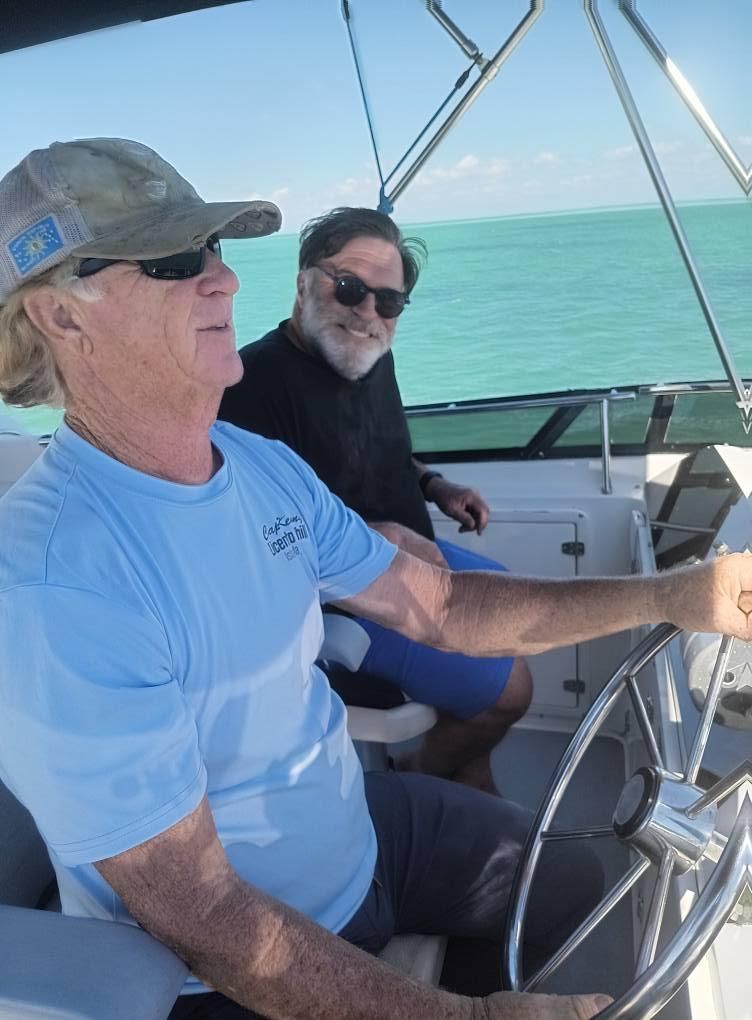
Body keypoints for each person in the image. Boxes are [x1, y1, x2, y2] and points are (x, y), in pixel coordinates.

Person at [1, 138, 750, 1020]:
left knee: (576, 882)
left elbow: (442, 605)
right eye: (173, 261)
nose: (225, 281)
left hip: (358, 825)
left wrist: (679, 596)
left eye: (215, 250)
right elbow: (203, 914)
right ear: (60, 316)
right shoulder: (54, 581)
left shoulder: (256, 465)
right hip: (220, 967)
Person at [219, 207, 532, 793]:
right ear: (304, 283)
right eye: (349, 288)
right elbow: (248, 533)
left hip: (416, 559)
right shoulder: (251, 386)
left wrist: (435, 485)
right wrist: (380, 537)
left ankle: (465, 770)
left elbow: (381, 448)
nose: (368, 313)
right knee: (511, 692)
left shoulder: (368, 355)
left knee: (515, 611)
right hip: (349, 598)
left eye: (388, 301)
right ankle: (417, 777)